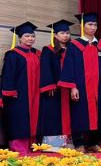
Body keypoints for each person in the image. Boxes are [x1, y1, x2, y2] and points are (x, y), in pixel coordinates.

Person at [58, 12, 101, 151]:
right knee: (79, 113)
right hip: (81, 86)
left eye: (95, 24)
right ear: (82, 26)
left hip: (98, 86)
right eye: (90, 24)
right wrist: (72, 87)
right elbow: (69, 67)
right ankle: (79, 143)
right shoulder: (74, 45)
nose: (93, 27)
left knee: (98, 113)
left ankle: (93, 142)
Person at [1, 22, 41, 154]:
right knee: (19, 120)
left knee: (33, 120)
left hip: (35, 93)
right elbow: (7, 75)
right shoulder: (13, 55)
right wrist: (10, 92)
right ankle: (18, 148)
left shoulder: (36, 54)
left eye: (32, 36)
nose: (30, 39)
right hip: (18, 95)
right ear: (19, 38)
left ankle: (32, 146)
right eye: (27, 36)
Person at [39, 20, 74, 141]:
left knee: (73, 114)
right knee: (53, 115)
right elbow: (45, 68)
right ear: (55, 35)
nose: (66, 35)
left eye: (68, 33)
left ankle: (71, 140)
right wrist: (49, 86)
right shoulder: (48, 50)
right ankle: (55, 143)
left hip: (70, 89)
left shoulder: (73, 49)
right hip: (55, 90)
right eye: (62, 33)